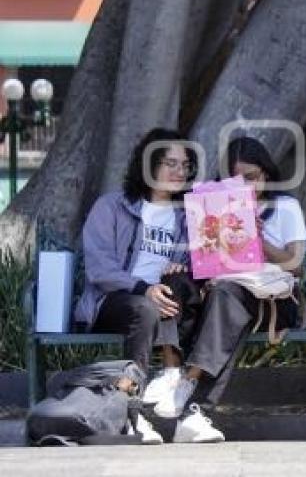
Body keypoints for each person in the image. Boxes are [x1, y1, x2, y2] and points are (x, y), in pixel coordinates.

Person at [149, 136, 306, 443]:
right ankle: (183, 395)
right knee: (189, 288)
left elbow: (297, 266)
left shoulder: (286, 207)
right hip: (225, 293)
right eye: (237, 181)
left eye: (252, 178)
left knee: (227, 300)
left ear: (266, 173)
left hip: (272, 296)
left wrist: (258, 242)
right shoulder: (217, 208)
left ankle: (189, 384)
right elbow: (207, 260)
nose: (246, 187)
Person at [75, 128, 199, 445]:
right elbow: (100, 269)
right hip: (116, 300)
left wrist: (185, 266)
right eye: (170, 163)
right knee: (145, 307)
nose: (179, 172)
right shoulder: (113, 206)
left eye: (185, 166)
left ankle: (176, 381)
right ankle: (133, 414)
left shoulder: (188, 216)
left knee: (175, 286)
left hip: (169, 302)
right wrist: (143, 287)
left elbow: (209, 260)